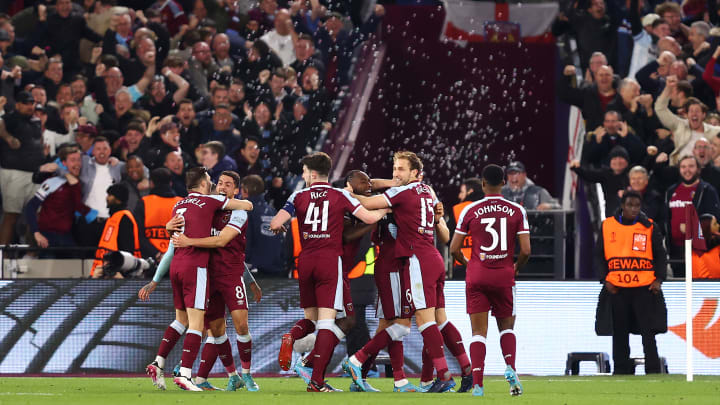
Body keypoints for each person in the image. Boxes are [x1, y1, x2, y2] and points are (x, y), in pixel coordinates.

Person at [269, 152, 389, 392]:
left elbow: (275, 222)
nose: (303, 176)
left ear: (312, 174)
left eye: (304, 172)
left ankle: (292, 336)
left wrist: (280, 227)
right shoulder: (340, 194)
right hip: (329, 260)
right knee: (326, 324)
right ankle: (317, 381)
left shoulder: (298, 195)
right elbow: (367, 216)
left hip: (305, 261)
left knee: (311, 320)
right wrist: (385, 211)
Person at [342, 151, 455, 393]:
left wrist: (350, 195)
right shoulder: (417, 192)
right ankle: (373, 368)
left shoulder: (400, 194)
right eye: (394, 168)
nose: (395, 174)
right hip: (395, 264)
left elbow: (369, 196)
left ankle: (375, 372)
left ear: (415, 173)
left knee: (391, 325)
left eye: (401, 169)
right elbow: (371, 195)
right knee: (402, 324)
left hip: (405, 262)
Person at [144, 167, 253, 391]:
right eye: (215, 182)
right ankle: (186, 374)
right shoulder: (210, 203)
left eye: (226, 184)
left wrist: (156, 278)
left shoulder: (178, 205)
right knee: (199, 325)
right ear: (204, 184)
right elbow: (247, 206)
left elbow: (173, 244)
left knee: (182, 321)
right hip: (198, 268)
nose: (219, 186)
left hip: (179, 266)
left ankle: (159, 362)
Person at [172, 171, 262, 391]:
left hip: (231, 276)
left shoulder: (238, 211)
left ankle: (247, 373)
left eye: (228, 184)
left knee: (241, 325)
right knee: (216, 329)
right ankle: (231, 375)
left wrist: (250, 280)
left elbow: (222, 241)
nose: (222, 187)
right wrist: (169, 227)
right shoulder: (207, 209)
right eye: (220, 183)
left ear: (235, 190)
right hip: (208, 275)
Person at [449, 164, 530, 397]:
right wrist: (514, 268)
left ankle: (477, 385)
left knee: (478, 332)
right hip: (504, 275)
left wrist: (469, 264)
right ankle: (511, 369)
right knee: (507, 328)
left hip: (477, 276)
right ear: (503, 183)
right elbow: (526, 250)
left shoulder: (470, 210)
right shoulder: (517, 210)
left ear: (483, 184)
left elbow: (454, 248)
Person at [595, 191, 667, 374]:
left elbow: (660, 254)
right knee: (619, 331)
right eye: (630, 205)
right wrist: (604, 279)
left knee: (648, 332)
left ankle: (652, 369)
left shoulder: (649, 226)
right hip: (617, 288)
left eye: (637, 205)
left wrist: (659, 279)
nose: (634, 209)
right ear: (622, 205)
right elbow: (598, 255)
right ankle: (621, 369)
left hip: (644, 287)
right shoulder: (607, 225)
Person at [24, 146, 97, 256]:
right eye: (73, 160)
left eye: (79, 160)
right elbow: (30, 207)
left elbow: (77, 206)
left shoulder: (77, 184)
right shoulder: (52, 182)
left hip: (66, 235)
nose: (77, 164)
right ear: (63, 163)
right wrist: (36, 233)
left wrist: (94, 217)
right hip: (47, 236)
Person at [0, 91, 44, 244]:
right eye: (26, 103)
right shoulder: (10, 118)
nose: (30, 106)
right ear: (17, 104)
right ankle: (2, 257)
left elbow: (39, 139)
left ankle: (31, 253)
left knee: (35, 215)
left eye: (32, 103)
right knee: (11, 215)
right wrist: (8, 137)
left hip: (35, 173)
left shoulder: (36, 121)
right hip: (14, 172)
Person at [665, 155, 720, 274]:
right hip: (676, 252)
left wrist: (693, 228)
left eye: (691, 166)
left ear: (698, 169)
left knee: (699, 290)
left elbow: (713, 221)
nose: (687, 170)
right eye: (683, 167)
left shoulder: (707, 190)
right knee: (679, 289)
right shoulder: (671, 191)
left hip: (700, 253)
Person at [90, 184, 142, 278]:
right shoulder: (113, 218)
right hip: (107, 271)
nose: (107, 198)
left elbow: (127, 249)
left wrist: (120, 272)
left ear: (118, 199)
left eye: (110, 195)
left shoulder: (124, 218)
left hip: (118, 275)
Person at [241, 174, 285, 275]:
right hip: (277, 267)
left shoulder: (246, 210)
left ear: (245, 191)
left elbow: (246, 240)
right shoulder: (272, 210)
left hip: (256, 270)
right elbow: (281, 241)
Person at [139, 168, 182, 255]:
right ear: (170, 183)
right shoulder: (181, 203)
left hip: (150, 257)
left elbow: (138, 235)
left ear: (151, 183)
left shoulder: (144, 202)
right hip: (176, 257)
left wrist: (157, 254)